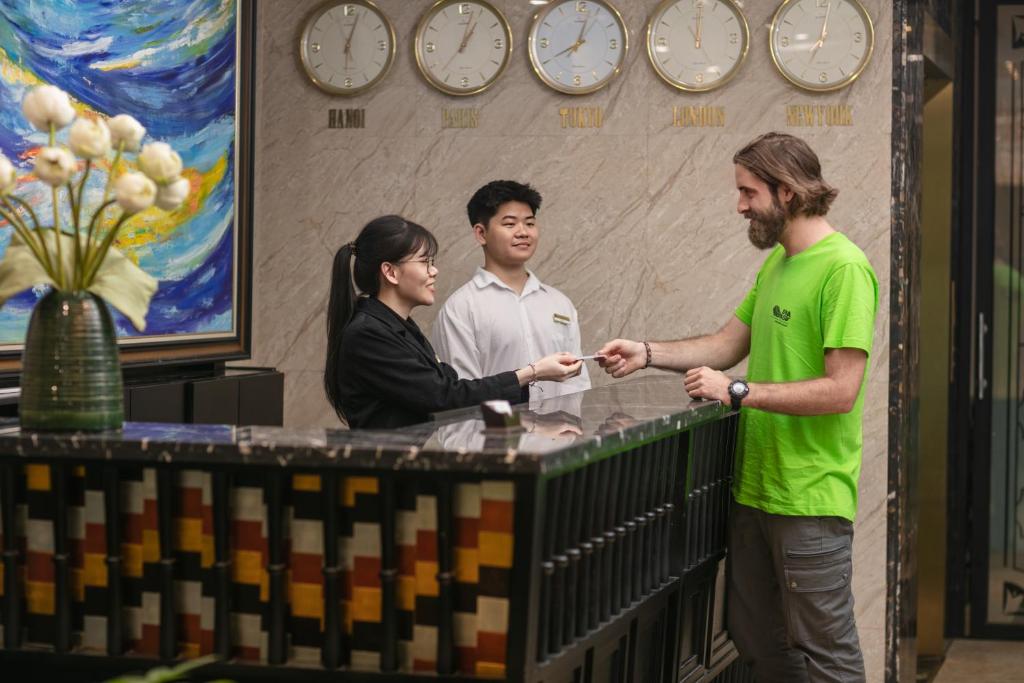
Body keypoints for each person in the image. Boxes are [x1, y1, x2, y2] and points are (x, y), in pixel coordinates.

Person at [598, 132, 878, 683]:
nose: (740, 205)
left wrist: (740, 391)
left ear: (788, 191)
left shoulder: (844, 268)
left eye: (749, 192)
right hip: (756, 491)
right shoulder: (778, 264)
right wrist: (646, 353)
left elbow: (841, 390)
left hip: (809, 499)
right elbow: (726, 344)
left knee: (826, 653)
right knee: (757, 639)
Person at [324, 215, 582, 430]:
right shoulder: (368, 333)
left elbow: (450, 389)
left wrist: (534, 424)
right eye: (425, 262)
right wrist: (532, 372)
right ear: (390, 272)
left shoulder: (400, 327)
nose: (434, 271)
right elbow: (445, 397)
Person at [433, 180, 591, 399]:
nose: (523, 232)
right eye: (509, 224)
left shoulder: (559, 302)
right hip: (499, 422)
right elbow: (463, 393)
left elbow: (578, 382)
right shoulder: (460, 308)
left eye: (530, 223)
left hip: (563, 421)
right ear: (481, 233)